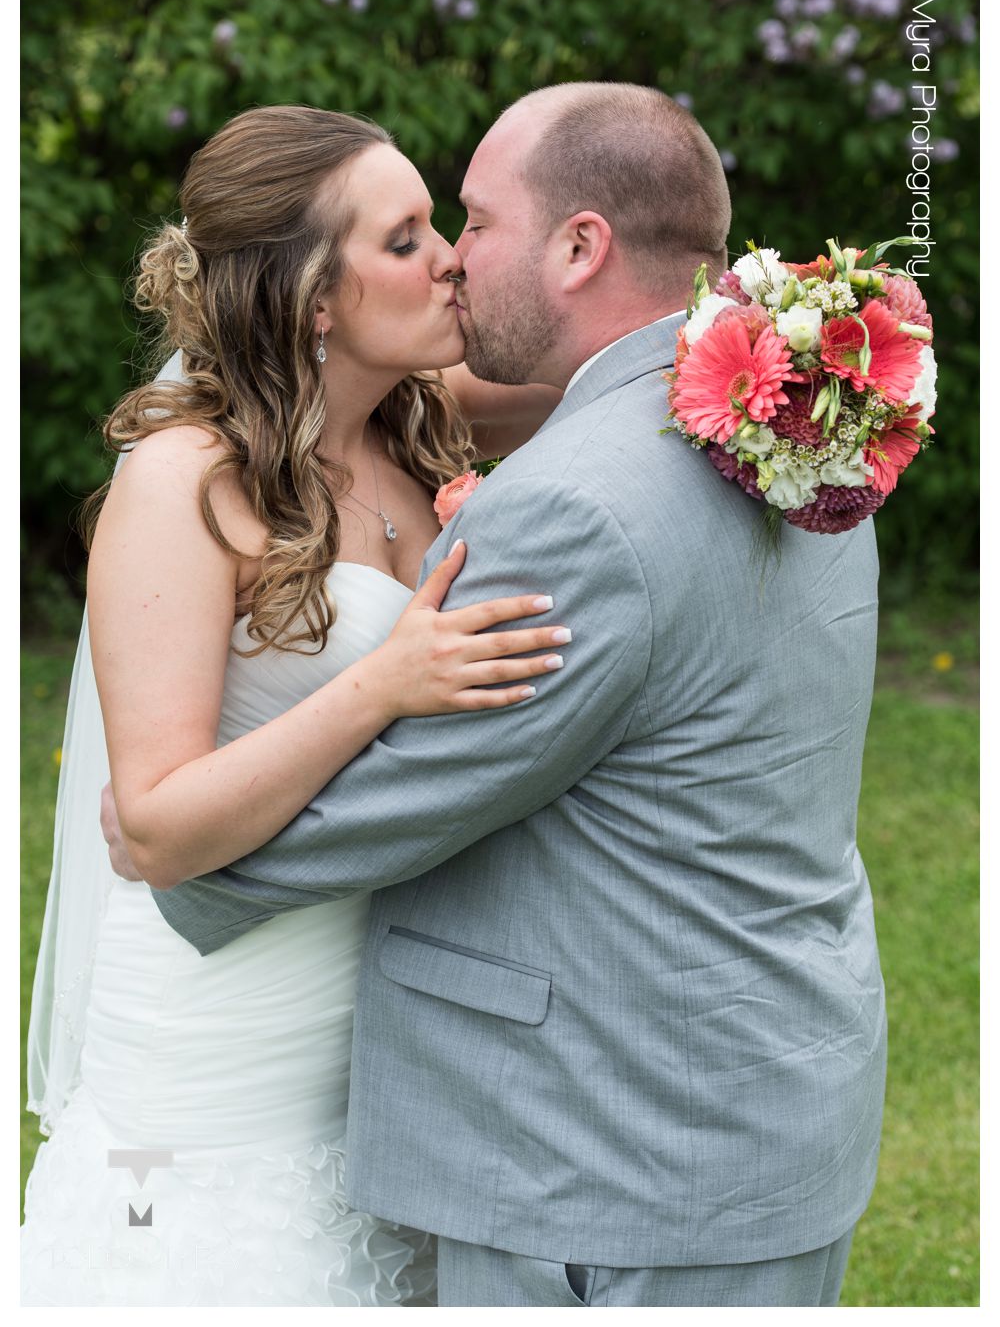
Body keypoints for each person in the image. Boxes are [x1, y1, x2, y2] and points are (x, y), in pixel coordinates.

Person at [141, 82, 888, 1308]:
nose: (454, 259)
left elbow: (401, 799)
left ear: (579, 246)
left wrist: (173, 851)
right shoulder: (803, 423)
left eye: (475, 222)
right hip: (765, 1095)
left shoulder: (576, 502)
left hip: (611, 1158)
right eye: (421, 234)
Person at [21, 104, 570, 1306]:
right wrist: (386, 682)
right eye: (406, 239)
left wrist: (781, 341)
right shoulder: (184, 482)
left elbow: (613, 358)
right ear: (316, 299)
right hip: (212, 1064)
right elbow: (156, 826)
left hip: (375, 1045)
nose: (452, 260)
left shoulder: (418, 425)